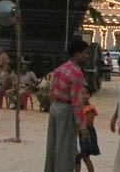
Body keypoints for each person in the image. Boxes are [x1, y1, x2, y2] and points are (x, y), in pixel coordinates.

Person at [45, 39, 90, 172]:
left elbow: (51, 93)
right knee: (65, 150)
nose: (86, 56)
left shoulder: (60, 69)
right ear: (77, 53)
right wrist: (82, 126)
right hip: (66, 110)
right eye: (85, 53)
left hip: (55, 108)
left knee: (52, 147)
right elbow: (76, 102)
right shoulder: (76, 73)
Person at [76, 88, 100, 172]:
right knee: (77, 157)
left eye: (86, 93)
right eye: (82, 93)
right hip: (78, 133)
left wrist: (82, 130)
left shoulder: (90, 108)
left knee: (85, 157)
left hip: (87, 134)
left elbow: (89, 123)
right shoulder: (77, 107)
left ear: (90, 95)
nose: (84, 95)